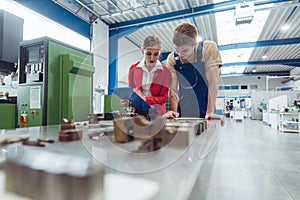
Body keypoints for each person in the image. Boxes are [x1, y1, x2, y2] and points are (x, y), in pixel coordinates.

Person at [165, 22, 224, 126]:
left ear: (195, 44)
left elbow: (213, 82)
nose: (180, 54)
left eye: (184, 50)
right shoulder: (172, 59)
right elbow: (173, 89)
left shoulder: (208, 49)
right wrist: (173, 112)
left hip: (205, 107)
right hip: (184, 108)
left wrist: (210, 111)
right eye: (177, 50)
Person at [128, 36, 171, 120]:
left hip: (157, 113)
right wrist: (129, 101)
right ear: (142, 51)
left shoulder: (165, 71)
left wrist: (146, 99)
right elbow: (131, 91)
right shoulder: (133, 68)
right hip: (138, 112)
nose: (152, 58)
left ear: (159, 53)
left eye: (156, 54)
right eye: (148, 54)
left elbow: (163, 97)